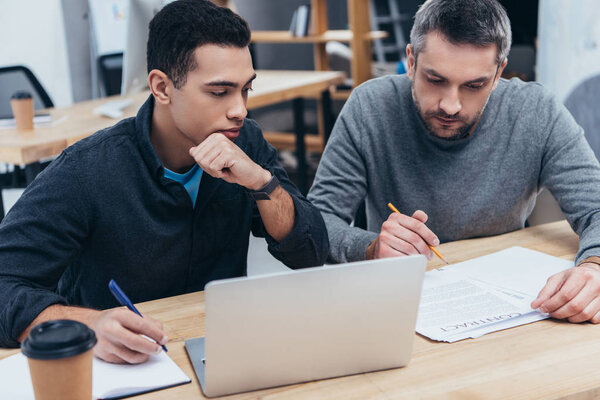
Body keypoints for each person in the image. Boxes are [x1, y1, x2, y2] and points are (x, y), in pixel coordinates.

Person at [0, 0, 329, 362]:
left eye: (245, 88)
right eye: (220, 92)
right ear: (161, 87)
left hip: (222, 354)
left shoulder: (245, 143)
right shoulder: (87, 171)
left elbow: (311, 254)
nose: (240, 110)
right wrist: (89, 324)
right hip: (120, 368)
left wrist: (263, 184)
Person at [308, 0, 600, 324]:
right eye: (435, 80)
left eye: (475, 85)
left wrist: (594, 266)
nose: (451, 105)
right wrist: (370, 247)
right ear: (411, 60)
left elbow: (595, 206)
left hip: (508, 304)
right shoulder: (370, 107)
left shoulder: (535, 111)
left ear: (499, 71)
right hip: (402, 304)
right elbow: (318, 220)